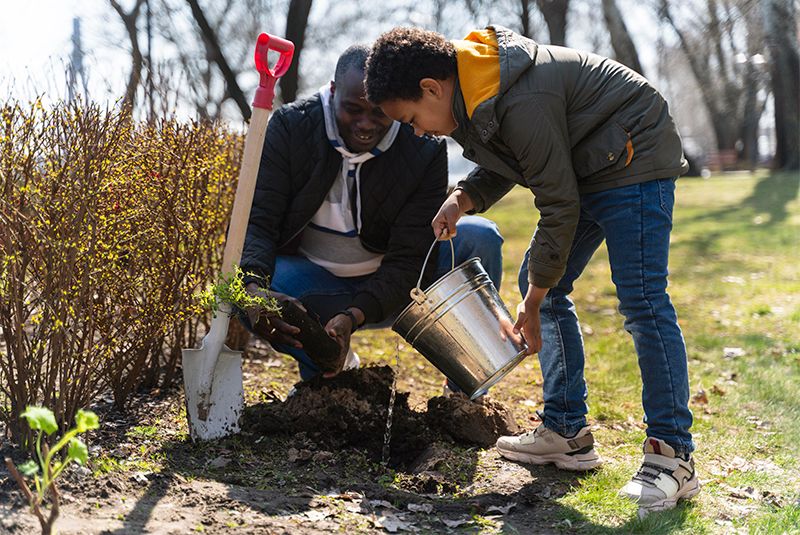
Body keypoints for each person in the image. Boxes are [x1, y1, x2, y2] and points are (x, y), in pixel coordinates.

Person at [365, 26, 698, 513]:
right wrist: (463, 198)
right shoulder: (478, 95)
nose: (417, 131)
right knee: (540, 283)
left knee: (642, 299)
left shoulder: (520, 95)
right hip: (589, 164)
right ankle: (566, 430)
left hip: (633, 154)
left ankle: (672, 455)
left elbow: (557, 201)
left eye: (411, 119)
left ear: (431, 88)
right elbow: (512, 159)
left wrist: (535, 299)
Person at [239, 44, 504, 384]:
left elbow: (409, 257)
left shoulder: (422, 144)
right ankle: (329, 370)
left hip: (401, 285)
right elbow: (259, 220)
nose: (365, 124)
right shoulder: (292, 127)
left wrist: (355, 314)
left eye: (378, 111)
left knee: (480, 237)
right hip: (316, 284)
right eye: (352, 109)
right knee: (252, 289)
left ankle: (466, 388)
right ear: (332, 91)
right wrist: (253, 289)